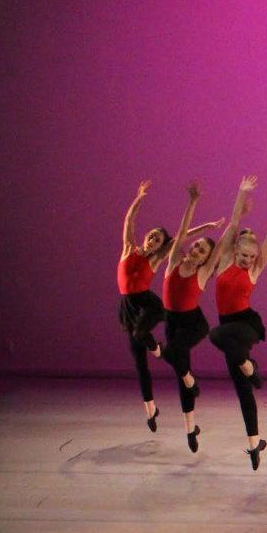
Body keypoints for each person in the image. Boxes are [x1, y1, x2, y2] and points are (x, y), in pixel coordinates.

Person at [208, 182, 267, 468]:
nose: (247, 260)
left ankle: (250, 366)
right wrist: (241, 193)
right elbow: (233, 224)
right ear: (235, 251)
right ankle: (254, 444)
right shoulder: (226, 259)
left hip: (245, 324)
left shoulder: (254, 268)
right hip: (227, 326)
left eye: (251, 258)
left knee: (215, 335)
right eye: (244, 256)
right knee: (242, 388)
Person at [159, 182, 237, 452]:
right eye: (196, 247)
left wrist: (236, 218)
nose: (195, 250)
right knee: (180, 373)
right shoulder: (173, 262)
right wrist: (192, 204)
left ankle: (191, 381)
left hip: (193, 323)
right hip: (172, 321)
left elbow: (221, 246)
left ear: (207, 260)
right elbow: (180, 234)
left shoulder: (202, 273)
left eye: (202, 251)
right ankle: (191, 429)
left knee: (172, 355)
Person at [114, 180, 178, 431]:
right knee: (139, 361)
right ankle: (151, 411)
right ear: (146, 236)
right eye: (152, 235)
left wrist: (205, 226)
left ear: (161, 246)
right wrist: (139, 198)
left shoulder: (155, 260)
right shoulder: (128, 248)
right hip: (128, 308)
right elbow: (129, 221)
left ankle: (160, 350)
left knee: (142, 335)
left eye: (158, 240)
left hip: (146, 305)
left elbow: (181, 237)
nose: (153, 240)